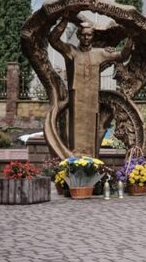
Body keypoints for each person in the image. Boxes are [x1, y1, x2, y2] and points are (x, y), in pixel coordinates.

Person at [48, 16, 132, 157]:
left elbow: (122, 56)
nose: (86, 38)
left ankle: (91, 165)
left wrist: (131, 38)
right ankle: (76, 164)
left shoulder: (100, 53)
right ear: (79, 35)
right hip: (76, 99)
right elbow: (53, 40)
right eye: (84, 35)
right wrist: (64, 20)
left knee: (91, 132)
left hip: (93, 99)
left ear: (93, 36)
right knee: (75, 133)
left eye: (89, 35)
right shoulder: (71, 51)